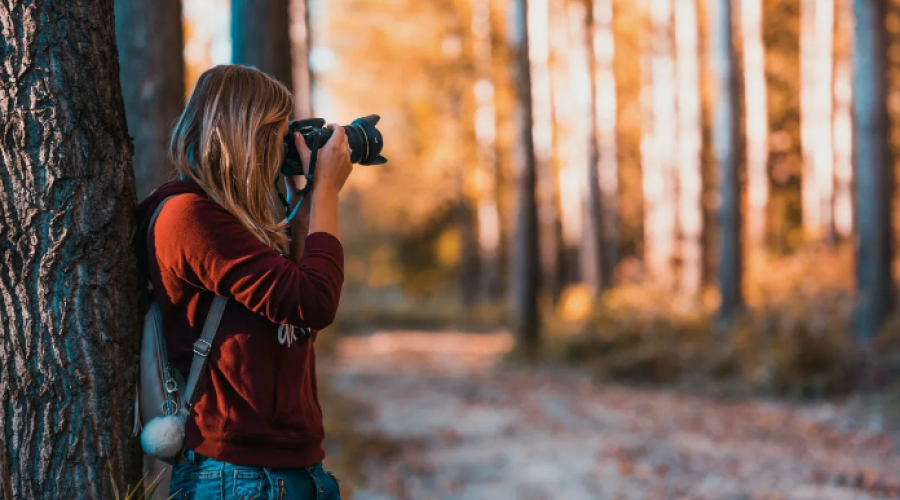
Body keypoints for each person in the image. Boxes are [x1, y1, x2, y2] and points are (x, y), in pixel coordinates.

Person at [135, 64, 350, 500]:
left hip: (290, 469)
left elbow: (297, 302)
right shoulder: (188, 217)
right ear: (246, 133)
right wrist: (326, 190)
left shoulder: (237, 224)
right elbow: (313, 301)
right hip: (238, 476)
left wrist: (304, 199)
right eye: (278, 130)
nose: (284, 144)